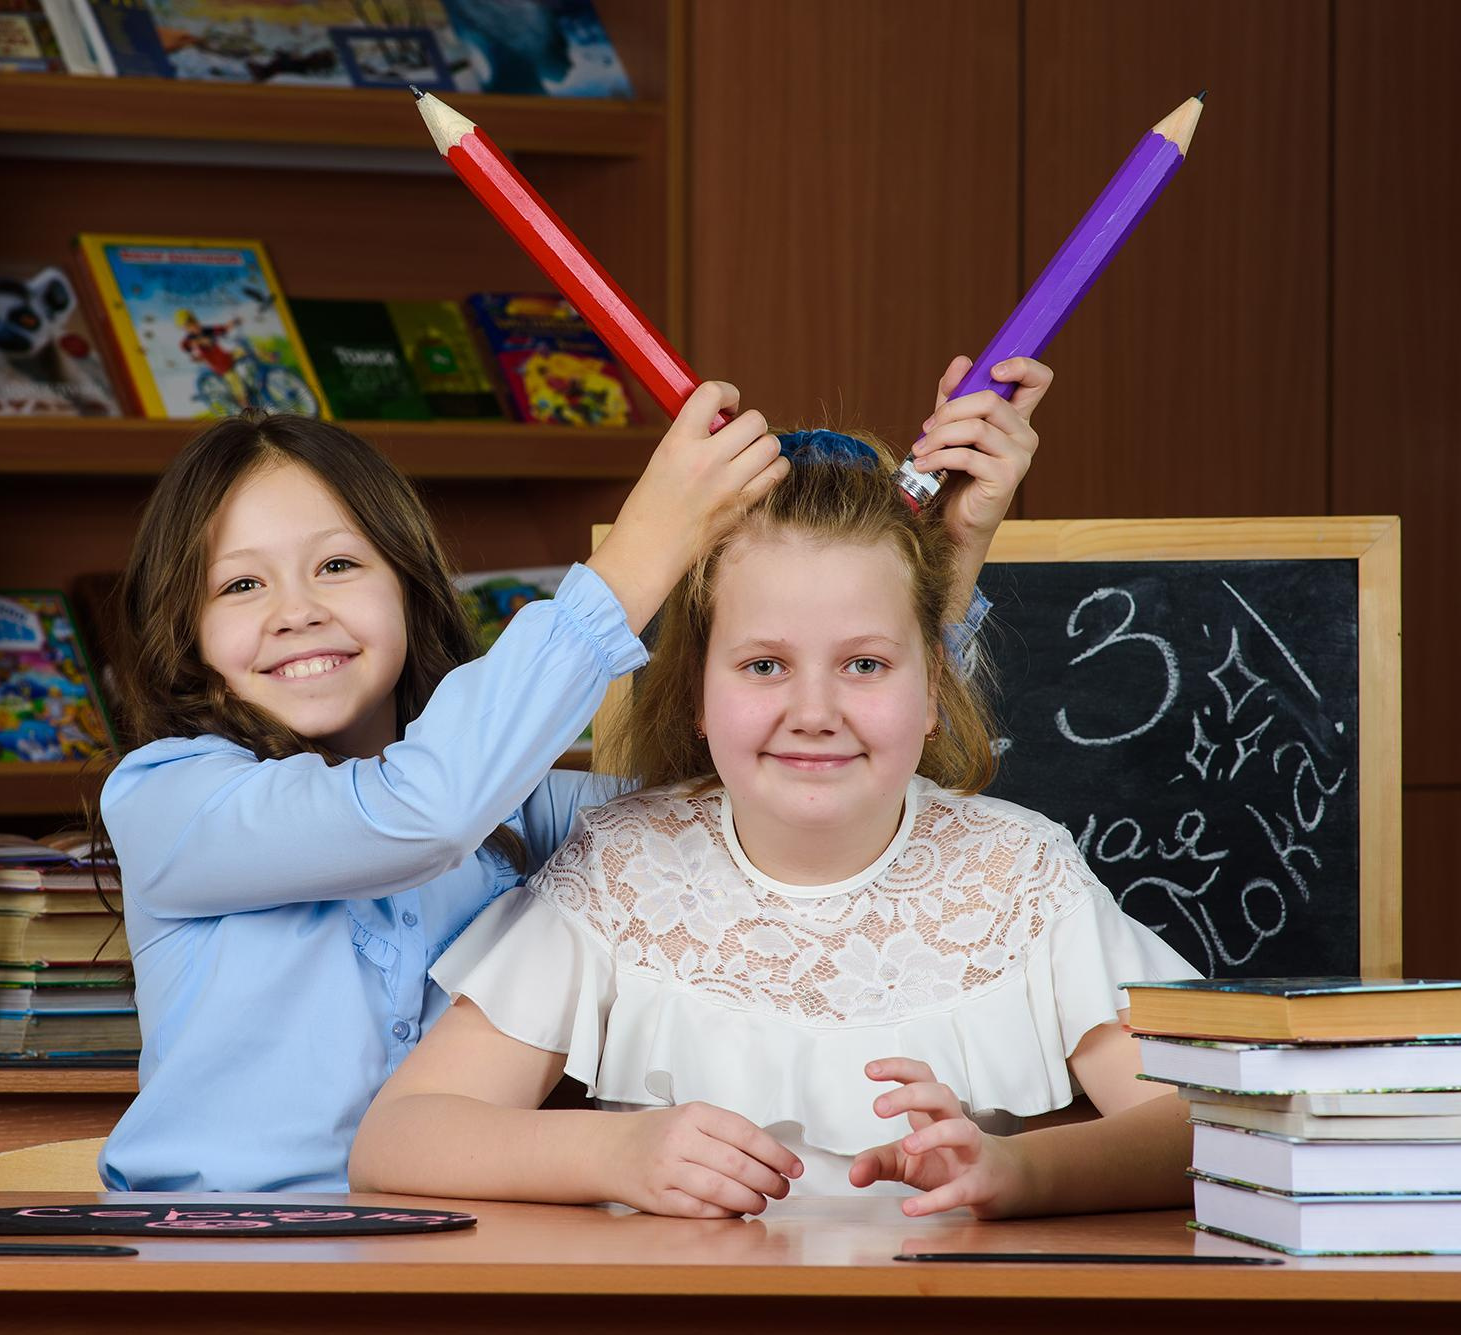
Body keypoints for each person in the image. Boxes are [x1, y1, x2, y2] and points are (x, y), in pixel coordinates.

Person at [96, 356, 1048, 1193]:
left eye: (339, 563)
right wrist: (643, 551)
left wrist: (945, 562)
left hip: (446, 1268)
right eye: (241, 584)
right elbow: (417, 812)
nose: (297, 611)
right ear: (185, 628)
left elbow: (776, 801)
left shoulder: (520, 814)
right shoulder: (167, 798)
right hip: (218, 1258)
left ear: (411, 584)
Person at [350, 423, 1200, 1220]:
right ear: (695, 697)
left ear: (934, 691)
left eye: (864, 663)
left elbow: (1211, 1125)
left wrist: (1019, 1173)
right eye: (765, 665)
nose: (814, 710)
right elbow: (398, 1139)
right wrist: (615, 1149)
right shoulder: (620, 869)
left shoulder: (1021, 872)